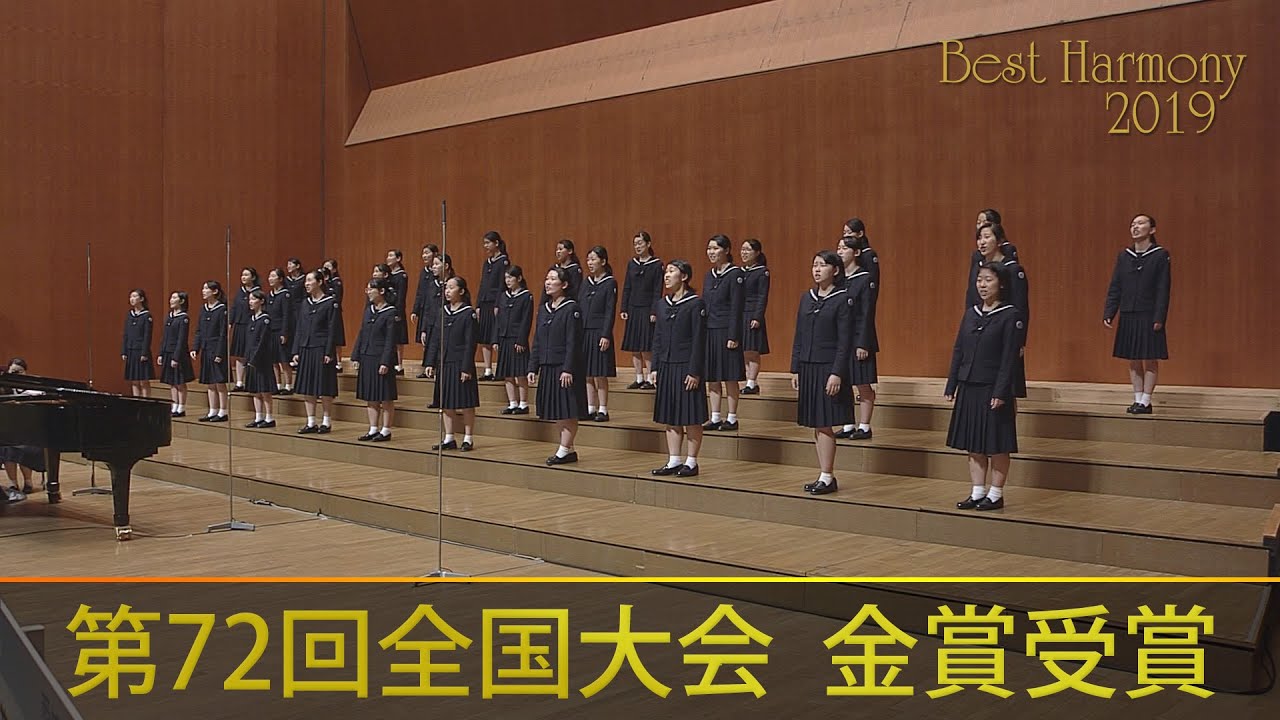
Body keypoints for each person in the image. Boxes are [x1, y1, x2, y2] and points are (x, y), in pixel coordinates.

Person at [945, 262, 1023, 511]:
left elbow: (1009, 358)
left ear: (1001, 284)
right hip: (969, 385)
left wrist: (1001, 391)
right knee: (973, 442)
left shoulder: (1010, 315)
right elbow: (959, 349)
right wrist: (952, 383)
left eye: (988, 280)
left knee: (996, 443)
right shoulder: (971, 313)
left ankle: (996, 493)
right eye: (980, 280)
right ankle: (977, 491)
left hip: (993, 388)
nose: (982, 285)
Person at [792, 251, 853, 495]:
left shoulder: (843, 299)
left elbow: (845, 341)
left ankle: (827, 476)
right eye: (814, 265)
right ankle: (823, 474)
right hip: (808, 366)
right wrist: (795, 368)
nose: (817, 269)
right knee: (817, 424)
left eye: (822, 265)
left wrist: (837, 373)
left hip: (828, 368)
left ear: (835, 270)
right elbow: (799, 335)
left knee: (825, 423)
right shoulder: (806, 298)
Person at [1105, 214, 1170, 414]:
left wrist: (1159, 317)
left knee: (1149, 357)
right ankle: (1137, 398)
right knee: (1133, 358)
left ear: (1152, 230)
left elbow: (1163, 289)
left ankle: (1146, 401)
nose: (1135, 227)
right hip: (1128, 312)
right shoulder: (1124, 256)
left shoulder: (1160, 255)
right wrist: (1110, 311)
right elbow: (1116, 286)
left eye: (1141, 223)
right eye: (1133, 224)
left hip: (1149, 313)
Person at [649, 260, 707, 477]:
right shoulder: (662, 304)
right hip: (666, 364)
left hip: (686, 366)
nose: (667, 275)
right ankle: (674, 460)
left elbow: (699, 340)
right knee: (670, 415)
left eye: (672, 271)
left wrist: (694, 371)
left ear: (684, 276)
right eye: (666, 271)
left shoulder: (695, 303)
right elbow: (658, 337)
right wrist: (654, 367)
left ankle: (691, 462)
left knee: (690, 415)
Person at [527, 267, 586, 465]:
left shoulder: (571, 308)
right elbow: (537, 339)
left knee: (568, 410)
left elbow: (573, 341)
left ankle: (564, 449)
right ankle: (568, 449)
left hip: (564, 368)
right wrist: (533, 366)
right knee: (557, 410)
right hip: (548, 365)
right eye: (547, 278)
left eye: (553, 279)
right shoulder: (544, 308)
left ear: (565, 284)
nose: (548, 282)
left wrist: (568, 368)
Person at [967, 223, 1030, 399]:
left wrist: (1020, 340)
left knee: (1006, 386)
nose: (982, 242)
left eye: (987, 237)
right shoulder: (978, 267)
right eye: (979, 238)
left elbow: (1021, 308)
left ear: (1000, 241)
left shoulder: (1012, 269)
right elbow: (971, 299)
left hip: (1004, 334)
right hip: (982, 334)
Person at [835, 236, 880, 440]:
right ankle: (848, 424)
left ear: (856, 252)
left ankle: (865, 425)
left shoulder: (865, 278)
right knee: (843, 381)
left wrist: (863, 343)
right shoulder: (838, 279)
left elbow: (867, 313)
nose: (840, 251)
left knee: (862, 382)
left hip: (859, 338)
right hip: (842, 339)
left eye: (844, 248)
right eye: (839, 248)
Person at [427, 277, 479, 451]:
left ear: (461, 291)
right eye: (446, 288)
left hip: (461, 363)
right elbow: (435, 339)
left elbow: (470, 343)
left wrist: (466, 367)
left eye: (451, 288)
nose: (447, 291)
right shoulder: (442, 312)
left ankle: (468, 438)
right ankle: (449, 437)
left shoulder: (468, 313)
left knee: (466, 403)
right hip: (444, 362)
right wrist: (430, 362)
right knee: (445, 402)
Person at [701, 234, 745, 431]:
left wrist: (733, 335)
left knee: (730, 376)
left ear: (726, 250)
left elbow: (737, 307)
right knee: (712, 376)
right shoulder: (709, 275)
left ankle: (732, 418)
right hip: (710, 330)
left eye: (715, 248)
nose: (711, 252)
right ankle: (715, 416)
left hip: (727, 331)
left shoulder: (735, 274)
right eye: (709, 248)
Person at [292, 270, 339, 434]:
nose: (306, 284)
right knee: (308, 386)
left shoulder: (330, 302)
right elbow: (299, 327)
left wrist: (329, 352)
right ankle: (311, 421)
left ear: (319, 282)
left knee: (324, 385)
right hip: (306, 347)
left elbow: (333, 329)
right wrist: (296, 350)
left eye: (310, 280)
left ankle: (326, 421)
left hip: (321, 348)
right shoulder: (305, 303)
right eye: (305, 281)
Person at [353, 278, 398, 441]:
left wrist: (385, 361)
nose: (368, 292)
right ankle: (373, 428)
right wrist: (356, 355)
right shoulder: (368, 310)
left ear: (382, 291)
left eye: (371, 289)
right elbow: (362, 332)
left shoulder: (391, 312)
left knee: (385, 396)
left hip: (381, 358)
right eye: (367, 289)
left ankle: (386, 430)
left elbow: (390, 339)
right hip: (367, 355)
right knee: (371, 395)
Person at [620, 230, 661, 390]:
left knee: (646, 345)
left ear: (648, 244)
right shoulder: (632, 264)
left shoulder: (656, 264)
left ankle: (650, 378)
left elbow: (657, 290)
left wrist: (654, 311)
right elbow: (627, 287)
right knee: (634, 346)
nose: (637, 246)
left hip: (647, 309)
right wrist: (624, 307)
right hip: (633, 308)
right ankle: (638, 377)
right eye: (635, 244)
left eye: (640, 243)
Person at [580, 245, 617, 421]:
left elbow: (610, 310)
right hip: (584, 331)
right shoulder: (586, 282)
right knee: (587, 372)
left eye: (593, 259)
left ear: (603, 261)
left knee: (600, 372)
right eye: (588, 259)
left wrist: (606, 334)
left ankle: (603, 409)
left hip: (600, 332)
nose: (590, 263)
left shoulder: (610, 282)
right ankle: (590, 407)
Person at [1, 358, 46, 500]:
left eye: (19, 372)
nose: (15, 375)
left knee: (25, 448)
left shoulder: (33, 390)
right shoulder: (4, 389)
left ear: (25, 372)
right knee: (7, 449)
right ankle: (13, 484)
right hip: (9, 432)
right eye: (12, 372)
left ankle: (28, 482)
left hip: (30, 433)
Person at [494, 265, 533, 415]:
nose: (508, 280)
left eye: (510, 277)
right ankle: (512, 403)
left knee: (520, 372)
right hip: (504, 337)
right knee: (507, 373)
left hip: (517, 339)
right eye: (506, 278)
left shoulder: (526, 296)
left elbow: (526, 320)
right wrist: (496, 339)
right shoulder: (503, 296)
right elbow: (498, 319)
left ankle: (523, 403)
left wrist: (521, 340)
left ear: (519, 278)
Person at [191, 281, 229, 422]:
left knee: (219, 382)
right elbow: (199, 330)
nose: (203, 291)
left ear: (215, 291)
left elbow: (223, 334)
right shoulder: (203, 309)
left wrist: (219, 353)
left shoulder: (221, 309)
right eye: (203, 288)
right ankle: (212, 410)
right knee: (210, 382)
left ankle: (223, 411)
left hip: (216, 349)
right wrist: (196, 348)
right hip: (206, 349)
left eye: (206, 288)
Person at [242, 290, 278, 428]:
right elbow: (248, 341)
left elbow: (263, 342)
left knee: (265, 389)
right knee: (255, 390)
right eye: (249, 299)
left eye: (253, 299)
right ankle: (258, 417)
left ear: (261, 301)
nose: (250, 302)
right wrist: (247, 358)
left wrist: (255, 358)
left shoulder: (265, 320)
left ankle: (269, 418)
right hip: (251, 358)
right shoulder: (250, 319)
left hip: (262, 360)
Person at [477, 231, 510, 382]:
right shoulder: (487, 262)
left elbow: (502, 285)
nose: (485, 246)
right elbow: (482, 284)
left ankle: (501, 369)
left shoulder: (503, 261)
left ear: (496, 243)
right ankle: (488, 369)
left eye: (488, 243)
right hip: (484, 302)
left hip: (495, 303)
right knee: (485, 337)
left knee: (496, 336)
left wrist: (498, 304)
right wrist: (478, 304)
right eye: (484, 243)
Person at [157, 291, 195, 417]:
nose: (171, 300)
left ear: (182, 301)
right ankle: (174, 405)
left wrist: (176, 357)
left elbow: (181, 339)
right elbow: (164, 337)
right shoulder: (169, 317)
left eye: (174, 298)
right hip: (167, 352)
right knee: (172, 382)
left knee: (180, 382)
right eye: (171, 297)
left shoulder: (183, 318)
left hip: (178, 354)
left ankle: (181, 407)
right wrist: (161, 354)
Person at [739, 238, 770, 395]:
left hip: (753, 313)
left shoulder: (762, 272)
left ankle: (752, 382)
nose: (744, 253)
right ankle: (749, 381)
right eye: (742, 250)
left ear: (757, 252)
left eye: (748, 250)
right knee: (744, 349)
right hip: (740, 313)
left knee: (752, 350)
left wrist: (757, 317)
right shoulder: (740, 271)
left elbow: (762, 296)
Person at [229, 267, 260, 392]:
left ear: (253, 277)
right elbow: (234, 307)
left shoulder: (257, 292)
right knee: (239, 354)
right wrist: (230, 322)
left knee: (249, 354)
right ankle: (239, 382)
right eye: (242, 274)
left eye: (246, 275)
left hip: (251, 325)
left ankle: (251, 382)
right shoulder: (240, 292)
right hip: (239, 325)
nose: (243, 277)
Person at [411, 244, 439, 378]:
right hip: (425, 310)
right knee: (425, 339)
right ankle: (428, 366)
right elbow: (419, 292)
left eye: (427, 253)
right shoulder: (424, 272)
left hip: (436, 311)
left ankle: (435, 366)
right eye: (423, 253)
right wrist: (415, 310)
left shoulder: (438, 273)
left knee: (435, 339)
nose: (424, 256)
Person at [265, 268, 294, 394]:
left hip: (280, 330)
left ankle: (288, 385)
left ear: (281, 279)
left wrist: (284, 332)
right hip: (270, 331)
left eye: (273, 276)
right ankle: (277, 384)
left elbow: (287, 315)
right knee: (273, 360)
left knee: (284, 359)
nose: (270, 279)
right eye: (269, 276)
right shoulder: (269, 295)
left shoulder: (285, 295)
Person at [120, 288, 154, 397]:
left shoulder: (146, 316)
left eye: (135, 296)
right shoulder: (130, 315)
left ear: (142, 299)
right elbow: (126, 334)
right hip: (131, 350)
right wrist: (124, 350)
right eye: (131, 297)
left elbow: (147, 336)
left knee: (143, 381)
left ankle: (146, 402)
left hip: (141, 351)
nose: (132, 299)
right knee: (134, 380)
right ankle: (136, 401)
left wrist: (144, 353)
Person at [385, 249, 411, 375]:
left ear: (398, 258)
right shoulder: (388, 275)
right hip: (387, 310)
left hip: (397, 310)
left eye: (391, 255)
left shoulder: (401, 276)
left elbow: (401, 296)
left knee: (399, 338)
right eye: (387, 255)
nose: (388, 258)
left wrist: (398, 313)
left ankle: (399, 365)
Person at [322, 259, 346, 373]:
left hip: (335, 312)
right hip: (325, 314)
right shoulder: (324, 283)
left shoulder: (337, 282)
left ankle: (339, 362)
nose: (326, 269)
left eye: (328, 266)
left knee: (337, 336)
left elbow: (337, 298)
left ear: (334, 269)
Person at [541, 239, 582, 304]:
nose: (558, 252)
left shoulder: (575, 270)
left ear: (570, 251)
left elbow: (575, 291)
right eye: (557, 249)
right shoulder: (554, 268)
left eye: (560, 249)